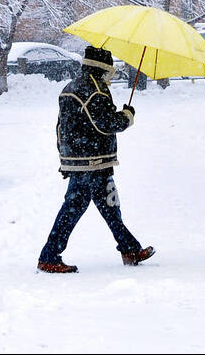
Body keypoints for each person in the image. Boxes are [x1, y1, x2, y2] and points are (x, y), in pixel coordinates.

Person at [37, 46, 155, 273]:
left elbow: (64, 126)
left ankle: (129, 248)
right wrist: (127, 116)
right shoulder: (95, 91)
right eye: (109, 71)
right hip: (93, 160)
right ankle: (49, 256)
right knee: (77, 207)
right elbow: (107, 124)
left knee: (109, 206)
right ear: (103, 69)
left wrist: (65, 156)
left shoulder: (70, 87)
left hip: (78, 159)